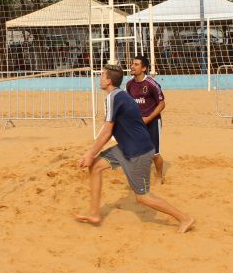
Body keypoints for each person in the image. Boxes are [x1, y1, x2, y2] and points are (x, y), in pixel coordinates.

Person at [76, 64, 194, 233]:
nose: (99, 78)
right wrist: (92, 154)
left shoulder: (114, 97)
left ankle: (185, 218)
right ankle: (94, 214)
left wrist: (90, 153)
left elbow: (107, 132)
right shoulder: (117, 95)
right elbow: (109, 128)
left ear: (108, 80)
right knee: (95, 167)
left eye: (102, 76)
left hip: (138, 151)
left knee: (143, 197)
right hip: (126, 147)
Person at [126, 55, 165, 183]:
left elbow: (162, 104)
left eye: (136, 64)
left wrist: (148, 118)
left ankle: (159, 176)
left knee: (154, 153)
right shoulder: (129, 84)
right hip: (138, 123)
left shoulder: (151, 84)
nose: (132, 66)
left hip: (153, 121)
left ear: (144, 68)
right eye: (132, 64)